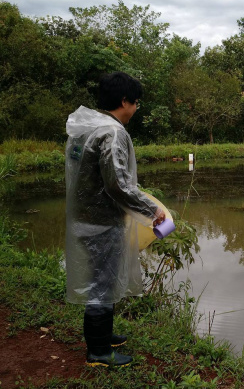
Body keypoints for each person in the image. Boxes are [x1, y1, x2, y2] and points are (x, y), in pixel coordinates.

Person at [65, 71, 165, 367]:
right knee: (101, 285)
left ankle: (104, 335)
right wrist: (151, 210)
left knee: (101, 280)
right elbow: (118, 184)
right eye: (136, 103)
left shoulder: (88, 129)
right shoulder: (113, 133)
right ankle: (98, 351)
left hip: (85, 218)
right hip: (102, 223)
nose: (135, 110)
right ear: (125, 101)